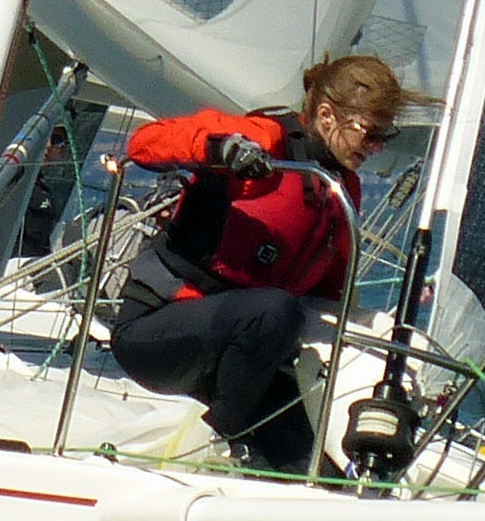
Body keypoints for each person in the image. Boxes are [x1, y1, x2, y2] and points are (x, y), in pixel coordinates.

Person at [108, 53, 414, 468]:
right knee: (274, 310)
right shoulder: (263, 139)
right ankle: (215, 444)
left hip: (247, 356)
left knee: (318, 468)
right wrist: (220, 150)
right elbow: (143, 143)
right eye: (370, 133)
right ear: (326, 116)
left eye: (385, 136)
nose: (376, 147)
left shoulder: (342, 190)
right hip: (158, 332)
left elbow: (329, 293)